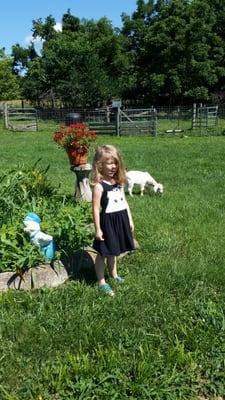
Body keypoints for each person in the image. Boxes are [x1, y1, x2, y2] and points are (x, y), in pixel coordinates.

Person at [92, 144, 135, 296]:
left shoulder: (119, 183)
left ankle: (114, 274)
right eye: (109, 163)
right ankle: (101, 281)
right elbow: (96, 209)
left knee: (114, 250)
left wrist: (129, 219)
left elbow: (124, 201)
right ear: (99, 165)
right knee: (103, 252)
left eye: (115, 163)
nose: (113, 166)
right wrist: (98, 229)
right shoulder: (99, 187)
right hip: (108, 223)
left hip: (120, 219)